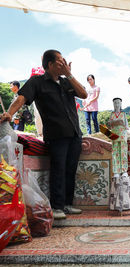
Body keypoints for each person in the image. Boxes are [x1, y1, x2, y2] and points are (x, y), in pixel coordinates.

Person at [0, 49, 88, 220]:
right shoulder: (37, 82)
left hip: (75, 133)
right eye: (60, 61)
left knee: (70, 169)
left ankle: (68, 205)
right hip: (56, 134)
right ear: (50, 64)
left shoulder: (66, 82)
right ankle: (57, 206)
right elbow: (21, 98)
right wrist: (9, 114)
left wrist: (69, 75)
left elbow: (83, 94)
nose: (64, 63)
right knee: (59, 168)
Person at [107, 97, 130, 212]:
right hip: (114, 135)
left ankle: (123, 170)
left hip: (122, 135)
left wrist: (120, 123)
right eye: (115, 103)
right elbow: (109, 126)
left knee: (123, 154)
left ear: (121, 103)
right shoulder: (111, 115)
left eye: (118, 103)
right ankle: (116, 171)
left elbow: (127, 126)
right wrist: (112, 123)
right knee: (115, 154)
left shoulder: (123, 114)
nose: (117, 104)